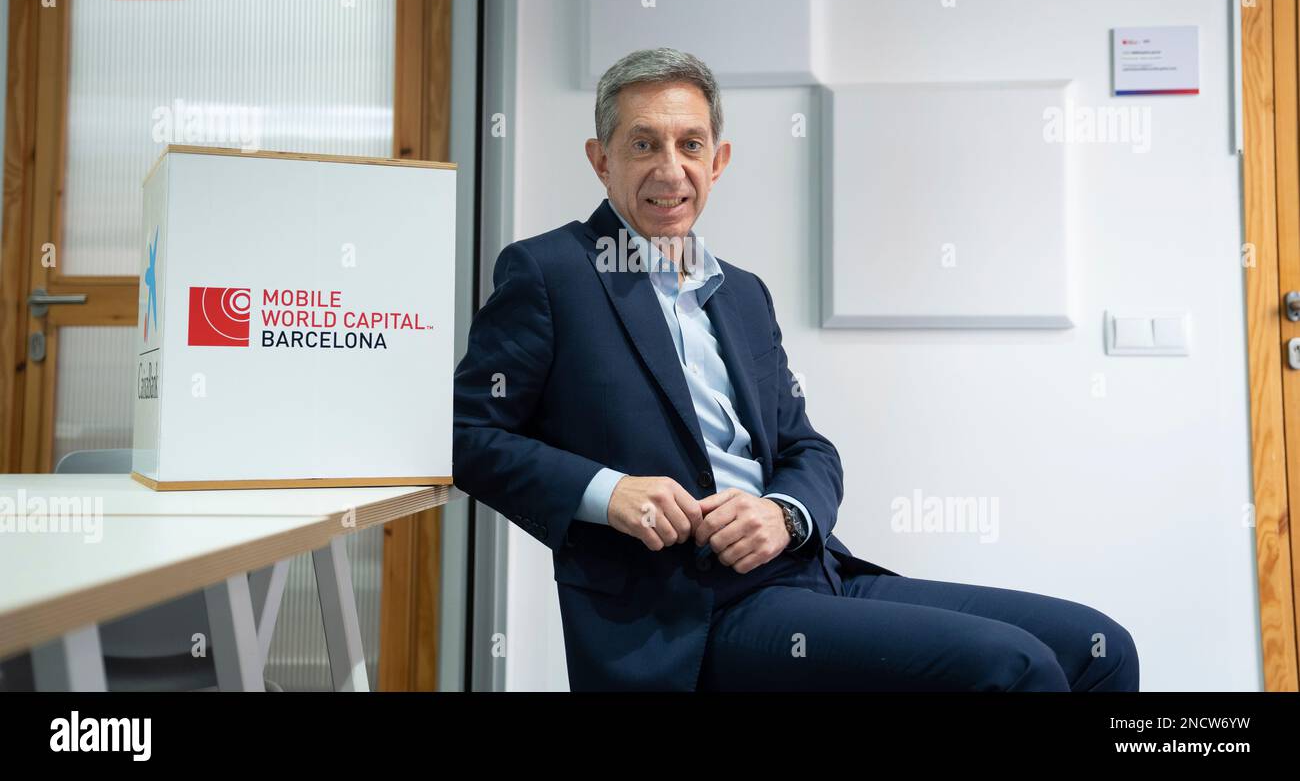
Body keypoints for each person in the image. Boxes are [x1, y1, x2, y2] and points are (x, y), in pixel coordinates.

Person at [452, 46, 1139, 692]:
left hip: (812, 568)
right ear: (600, 161)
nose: (669, 168)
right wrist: (607, 492)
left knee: (1099, 648)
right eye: (642, 144)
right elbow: (468, 435)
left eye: (690, 144)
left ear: (717, 161)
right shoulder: (550, 272)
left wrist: (784, 513)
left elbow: (807, 446)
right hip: (690, 615)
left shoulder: (742, 292)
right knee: (1013, 668)